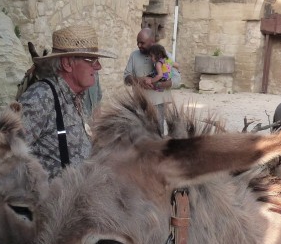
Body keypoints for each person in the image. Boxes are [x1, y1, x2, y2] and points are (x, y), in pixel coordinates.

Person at [18, 23, 114, 178]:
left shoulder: (75, 96)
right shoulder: (41, 98)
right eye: (91, 60)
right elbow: (5, 156)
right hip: (49, 200)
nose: (98, 67)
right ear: (67, 63)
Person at [124, 27, 176, 131]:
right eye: (137, 42)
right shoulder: (134, 55)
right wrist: (138, 80)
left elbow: (177, 80)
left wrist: (160, 85)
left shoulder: (166, 56)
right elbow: (126, 77)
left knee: (157, 132)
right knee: (139, 133)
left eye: (142, 43)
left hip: (158, 104)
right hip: (139, 102)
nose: (139, 45)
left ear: (152, 42)